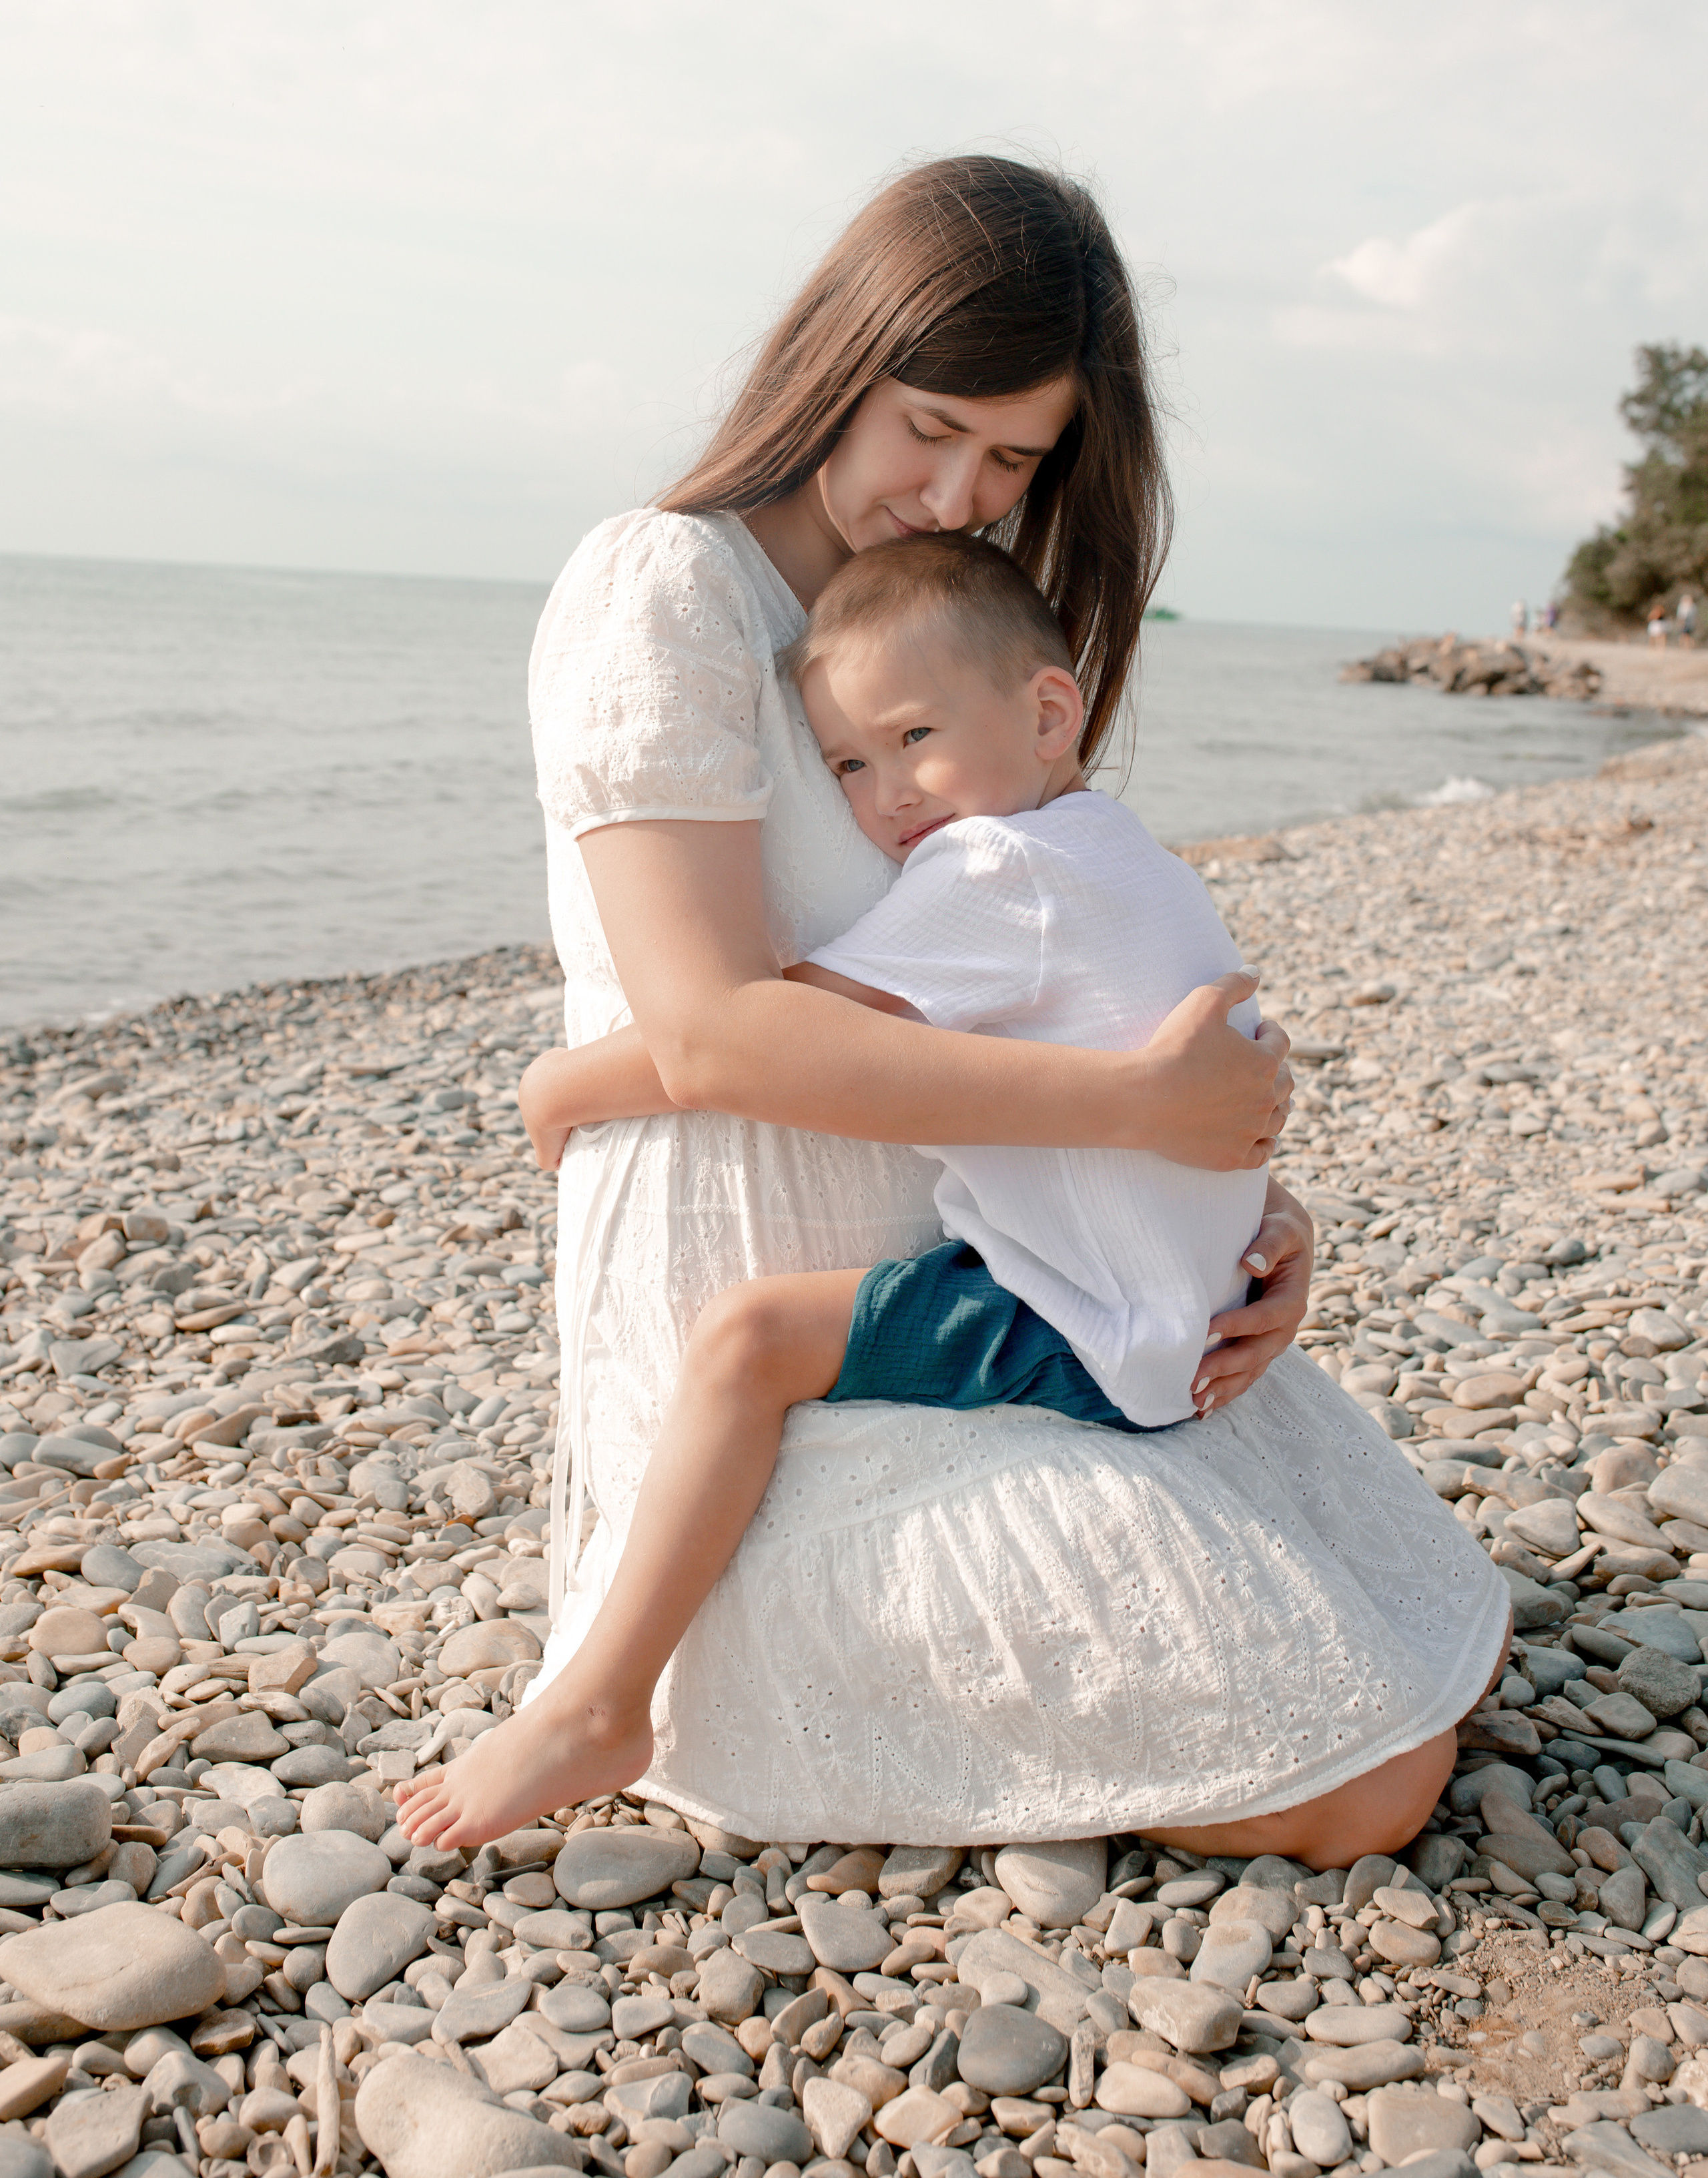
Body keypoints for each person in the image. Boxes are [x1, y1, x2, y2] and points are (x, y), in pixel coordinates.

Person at [408, 157, 1507, 1866]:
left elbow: (1078, 985)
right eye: (930, 425)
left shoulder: (923, 631)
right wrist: (1146, 1118)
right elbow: (710, 1037)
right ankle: (621, 1689)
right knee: (1363, 1780)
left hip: (1004, 1270)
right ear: (835, 360)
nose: (953, 492)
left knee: (1407, 1679)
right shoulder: (665, 590)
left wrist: (1229, 1209)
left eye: (1012, 460)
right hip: (763, 1317)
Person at [399, 534, 1279, 1849]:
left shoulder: (995, 874)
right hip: (1182, 1283)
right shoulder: (1114, 850)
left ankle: (599, 1703)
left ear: (1047, 712)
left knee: (747, 1343)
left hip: (1091, 1323)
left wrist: (563, 1089)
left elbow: (779, 1026)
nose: (887, 796)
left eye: (913, 735)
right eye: (850, 766)